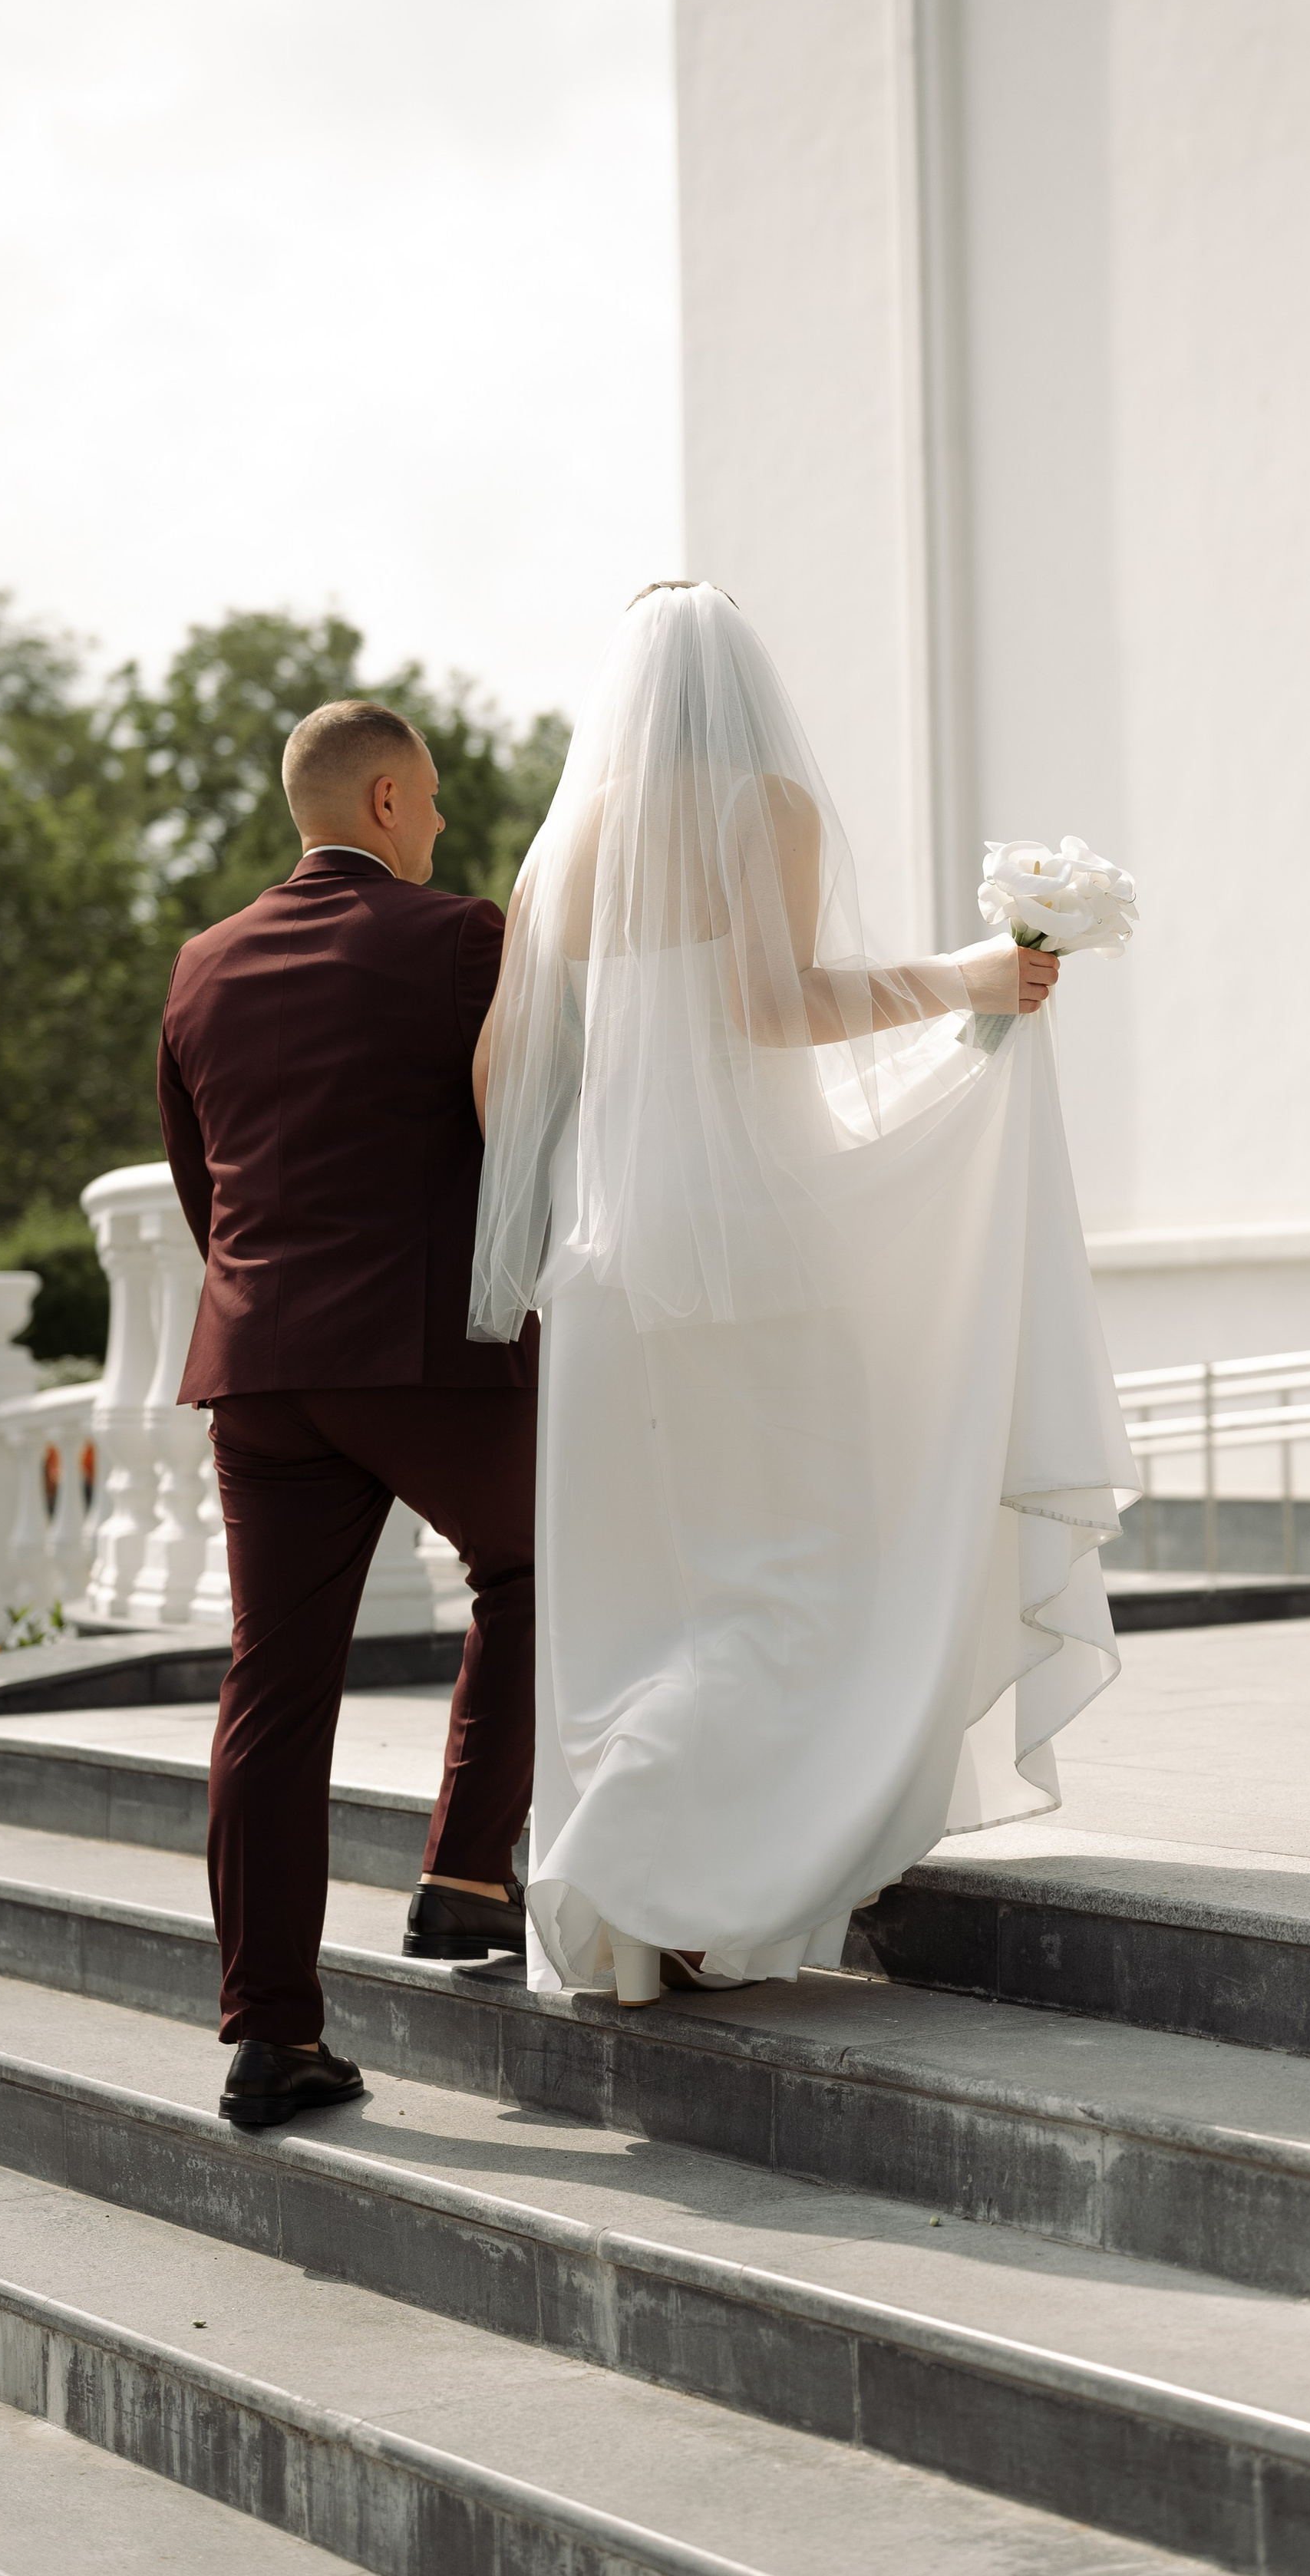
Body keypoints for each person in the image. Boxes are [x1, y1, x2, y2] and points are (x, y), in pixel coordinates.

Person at [470, 583, 1137, 2005]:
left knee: (635, 1583)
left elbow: (500, 1072)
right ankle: (706, 1876)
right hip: (740, 1231)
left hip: (602, 1254)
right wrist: (963, 980)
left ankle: (631, 1903)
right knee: (795, 1561)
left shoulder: (564, 846)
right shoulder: (761, 804)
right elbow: (775, 1007)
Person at [157, 699, 536, 2129]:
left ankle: (270, 2035)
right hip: (424, 1354)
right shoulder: (459, 939)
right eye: (429, 800)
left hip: (258, 1365)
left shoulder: (199, 967)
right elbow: (524, 1137)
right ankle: (463, 1875)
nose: (438, 826)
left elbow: (204, 1189)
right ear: (386, 800)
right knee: (537, 1568)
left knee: (273, 1686)